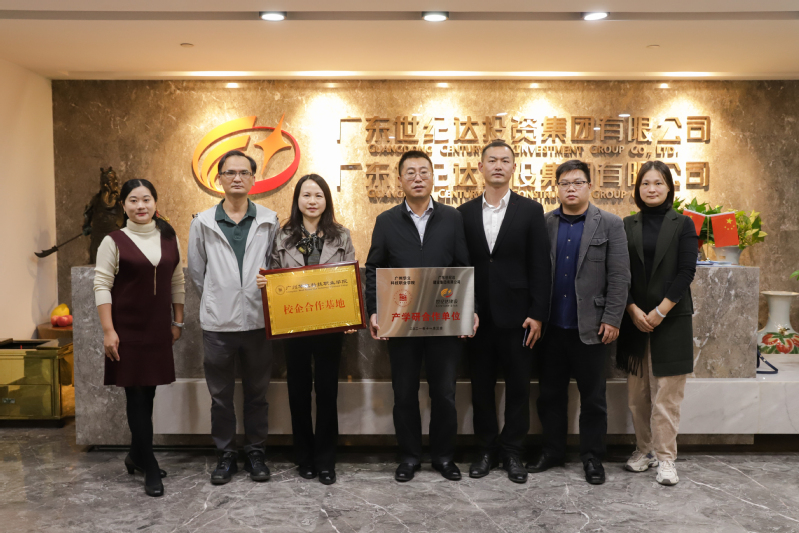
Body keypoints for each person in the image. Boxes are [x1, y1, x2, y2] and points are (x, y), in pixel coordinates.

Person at [365, 150, 477, 483]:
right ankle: (409, 456)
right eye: (410, 172)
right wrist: (374, 311)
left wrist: (470, 310)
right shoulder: (386, 221)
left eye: (424, 171)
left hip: (444, 321)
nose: (417, 178)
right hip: (401, 322)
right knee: (404, 393)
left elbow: (463, 266)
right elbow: (374, 268)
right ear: (400, 179)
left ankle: (444, 457)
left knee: (444, 394)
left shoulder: (452, 218)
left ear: (433, 177)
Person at [528, 159, 630, 485]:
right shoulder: (544, 224)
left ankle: (592, 457)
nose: (571, 188)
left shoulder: (610, 224)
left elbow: (620, 277)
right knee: (550, 396)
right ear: (556, 188)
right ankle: (552, 451)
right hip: (551, 328)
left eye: (577, 182)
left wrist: (612, 318)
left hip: (592, 328)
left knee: (594, 399)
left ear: (590, 186)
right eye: (565, 183)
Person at [457, 140, 551, 483]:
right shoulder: (463, 213)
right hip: (478, 317)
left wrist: (538, 313)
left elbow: (540, 265)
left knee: (518, 388)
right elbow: (460, 265)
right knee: (480, 388)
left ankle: (513, 452)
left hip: (520, 318)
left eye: (505, 161)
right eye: (492, 160)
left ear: (513, 168)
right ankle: (486, 450)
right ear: (480, 167)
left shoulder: (531, 210)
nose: (498, 165)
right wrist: (465, 310)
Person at [256, 174, 356, 485]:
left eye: (318, 195)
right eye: (306, 195)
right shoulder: (282, 236)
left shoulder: (341, 235)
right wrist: (265, 282)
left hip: (329, 325)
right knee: (297, 392)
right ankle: (304, 457)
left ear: (326, 200)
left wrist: (351, 314)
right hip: (294, 325)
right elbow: (273, 273)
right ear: (297, 200)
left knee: (327, 392)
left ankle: (326, 460)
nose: (312, 201)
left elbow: (350, 277)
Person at [188, 150, 280, 485]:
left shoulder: (270, 220)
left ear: (254, 179)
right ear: (219, 179)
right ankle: (225, 455)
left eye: (244, 172)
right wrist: (219, 297)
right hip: (218, 325)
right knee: (221, 398)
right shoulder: (203, 222)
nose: (237, 178)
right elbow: (197, 273)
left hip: (259, 322)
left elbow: (276, 267)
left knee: (257, 395)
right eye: (230, 172)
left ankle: (255, 453)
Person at [94, 178, 184, 497]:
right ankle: (149, 463)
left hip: (158, 327)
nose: (141, 205)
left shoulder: (169, 237)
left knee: (149, 393)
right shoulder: (113, 241)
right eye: (133, 200)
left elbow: (177, 280)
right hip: (127, 330)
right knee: (136, 395)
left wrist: (178, 321)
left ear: (155, 203)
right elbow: (102, 285)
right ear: (123, 205)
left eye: (146, 199)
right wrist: (108, 331)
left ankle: (136, 454)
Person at [617, 160, 697, 486]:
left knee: (667, 396)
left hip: (672, 319)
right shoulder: (626, 224)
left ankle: (666, 459)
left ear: (668, 187)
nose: (651, 189)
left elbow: (686, 272)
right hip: (635, 320)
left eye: (658, 183)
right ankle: (644, 450)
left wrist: (660, 311)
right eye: (645, 183)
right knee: (637, 396)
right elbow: (619, 272)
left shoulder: (683, 223)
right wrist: (632, 310)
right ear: (638, 189)